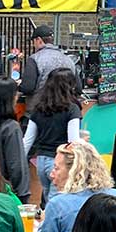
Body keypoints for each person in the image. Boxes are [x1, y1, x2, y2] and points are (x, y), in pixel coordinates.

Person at [34, 140, 116, 232]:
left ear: (74, 171)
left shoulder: (57, 206)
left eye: (56, 168)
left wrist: (43, 224)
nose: (51, 174)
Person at [24, 69, 83, 207]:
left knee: (48, 198)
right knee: (55, 204)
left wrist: (20, 162)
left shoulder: (39, 108)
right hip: (59, 162)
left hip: (41, 161)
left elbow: (27, 140)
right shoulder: (72, 109)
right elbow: (73, 141)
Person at [18, 25, 79, 110]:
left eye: (33, 41)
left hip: (38, 112)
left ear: (39, 40)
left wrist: (18, 86)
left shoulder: (35, 59)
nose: (33, 45)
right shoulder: (68, 60)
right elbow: (78, 88)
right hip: (65, 112)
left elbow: (28, 88)